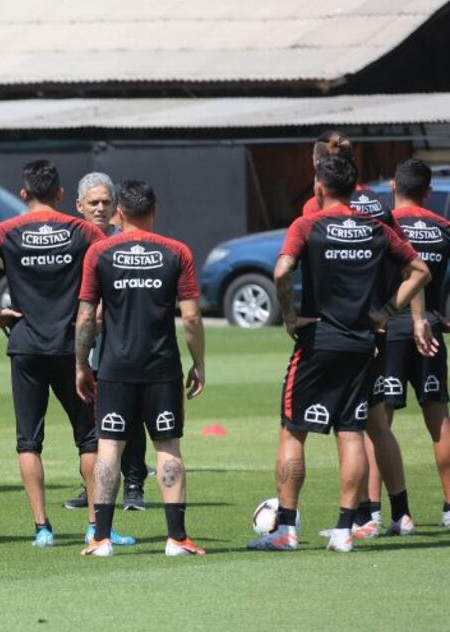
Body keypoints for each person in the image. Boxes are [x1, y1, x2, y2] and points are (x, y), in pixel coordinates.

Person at [248, 156, 430, 553]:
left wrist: (291, 316)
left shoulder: (307, 225)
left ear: (318, 189)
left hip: (318, 341)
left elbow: (281, 272)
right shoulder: (376, 229)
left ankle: (286, 529)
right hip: (363, 344)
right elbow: (420, 271)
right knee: (350, 432)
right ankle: (346, 529)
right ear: (354, 190)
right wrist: (384, 313)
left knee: (293, 429)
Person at [0, 160, 134, 547]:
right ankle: (95, 525)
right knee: (89, 439)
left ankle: (42, 528)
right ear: (59, 194)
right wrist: (101, 314)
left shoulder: (7, 231)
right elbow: (116, 263)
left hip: (26, 347)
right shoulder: (83, 230)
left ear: (24, 194)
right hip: (72, 349)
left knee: (28, 441)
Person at [76, 180, 206, 558]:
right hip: (162, 368)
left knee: (109, 448)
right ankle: (177, 539)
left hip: (115, 368)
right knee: (168, 446)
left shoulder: (100, 252)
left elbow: (86, 317)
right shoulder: (176, 252)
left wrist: (81, 363)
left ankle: (100, 538)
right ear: (154, 212)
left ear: (119, 212)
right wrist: (198, 364)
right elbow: (193, 319)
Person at [64, 171, 150, 512]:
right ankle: (94, 487)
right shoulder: (72, 239)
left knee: (133, 413)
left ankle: (134, 485)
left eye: (106, 202)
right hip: (87, 337)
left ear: (117, 206)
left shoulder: (125, 241)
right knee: (89, 416)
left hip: (122, 339)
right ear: (79, 206)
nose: (100, 208)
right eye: (93, 203)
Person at [384, 159, 450, 529]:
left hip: (390, 330)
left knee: (379, 423)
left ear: (393, 186)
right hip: (432, 331)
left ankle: (376, 514)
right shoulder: (444, 228)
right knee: (439, 419)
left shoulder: (384, 226)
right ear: (427, 192)